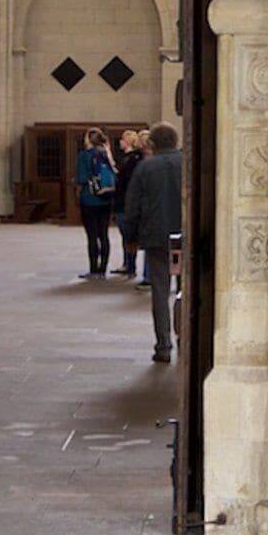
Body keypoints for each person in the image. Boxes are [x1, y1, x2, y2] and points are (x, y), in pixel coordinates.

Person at [120, 122, 187, 366]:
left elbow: (132, 204)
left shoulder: (146, 167)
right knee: (187, 290)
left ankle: (163, 346)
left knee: (160, 291)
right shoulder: (187, 163)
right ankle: (186, 339)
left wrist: (130, 236)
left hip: (157, 236)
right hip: (186, 235)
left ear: (152, 144)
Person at [73, 131, 120, 281]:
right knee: (103, 234)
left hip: (89, 197)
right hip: (105, 198)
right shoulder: (105, 153)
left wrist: (78, 193)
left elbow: (81, 178)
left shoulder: (84, 155)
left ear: (89, 139)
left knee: (92, 235)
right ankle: (103, 269)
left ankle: (94, 269)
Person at [116, 129, 150, 281]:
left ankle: (138, 271)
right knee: (128, 237)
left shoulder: (138, 161)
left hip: (135, 203)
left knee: (133, 238)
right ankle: (131, 266)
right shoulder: (137, 160)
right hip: (131, 202)